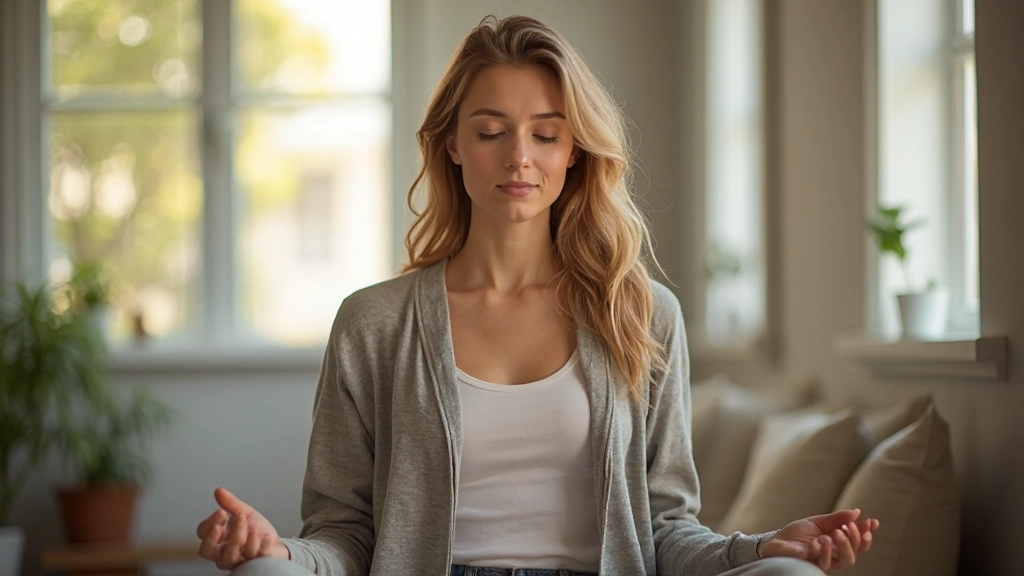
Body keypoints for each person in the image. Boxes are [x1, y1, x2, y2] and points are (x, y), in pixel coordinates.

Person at [195, 15, 879, 576]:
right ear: (453, 144)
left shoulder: (640, 315)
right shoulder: (372, 324)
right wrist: (278, 552)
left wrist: (763, 550)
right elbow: (345, 534)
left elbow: (667, 529)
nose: (519, 155)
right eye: (491, 131)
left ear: (574, 151)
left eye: (545, 134)